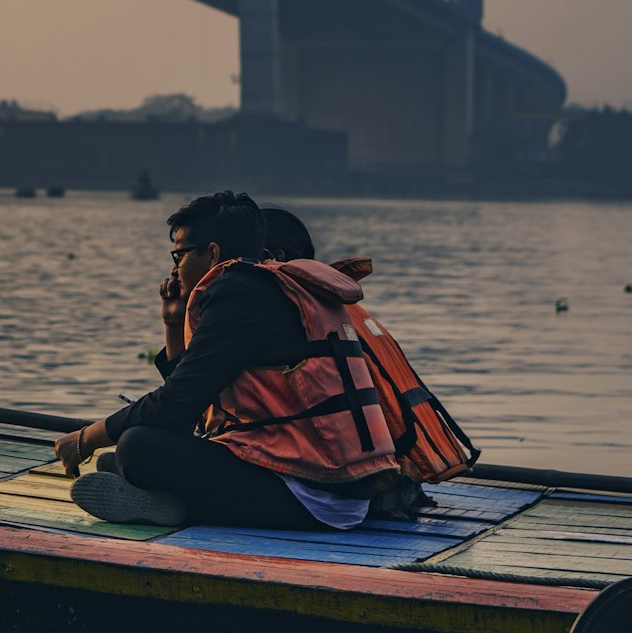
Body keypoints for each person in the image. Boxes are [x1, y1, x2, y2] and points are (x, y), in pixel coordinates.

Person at [54, 189, 399, 529]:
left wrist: (86, 438)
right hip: (333, 482)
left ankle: (178, 506)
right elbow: (188, 404)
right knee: (141, 446)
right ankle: (164, 496)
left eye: (180, 255)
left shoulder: (241, 294)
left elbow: (175, 405)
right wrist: (174, 324)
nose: (175, 269)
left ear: (213, 252)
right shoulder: (268, 288)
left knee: (136, 447)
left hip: (313, 494)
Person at [260, 205, 478, 500]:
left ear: (272, 257)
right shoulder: (338, 307)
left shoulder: (295, 314)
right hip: (399, 479)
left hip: (361, 486)